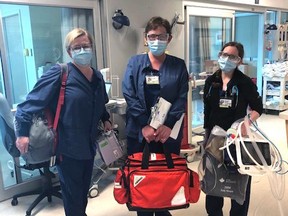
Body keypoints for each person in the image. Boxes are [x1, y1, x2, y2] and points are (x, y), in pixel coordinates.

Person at [14, 28, 112, 216]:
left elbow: (99, 103)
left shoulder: (97, 77)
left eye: (86, 46)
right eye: (77, 47)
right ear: (69, 52)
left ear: (92, 48)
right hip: (67, 148)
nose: (82, 50)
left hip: (89, 147)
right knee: (73, 197)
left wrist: (105, 118)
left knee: (81, 194)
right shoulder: (60, 73)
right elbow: (28, 104)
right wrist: (22, 134)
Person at [122, 16, 189, 216]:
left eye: (161, 36)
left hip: (167, 132)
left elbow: (181, 97)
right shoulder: (135, 63)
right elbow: (129, 94)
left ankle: (161, 208)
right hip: (140, 131)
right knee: (141, 173)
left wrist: (167, 125)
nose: (156, 40)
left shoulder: (178, 65)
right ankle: (143, 208)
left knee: (164, 174)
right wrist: (145, 125)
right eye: (152, 36)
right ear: (145, 38)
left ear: (168, 38)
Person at [203, 41, 263, 216]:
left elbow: (258, 108)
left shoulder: (244, 83)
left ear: (239, 60)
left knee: (238, 186)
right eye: (224, 54)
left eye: (232, 56)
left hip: (237, 140)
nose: (226, 59)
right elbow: (207, 112)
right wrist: (206, 139)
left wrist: (246, 123)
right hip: (214, 140)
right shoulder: (211, 81)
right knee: (214, 183)